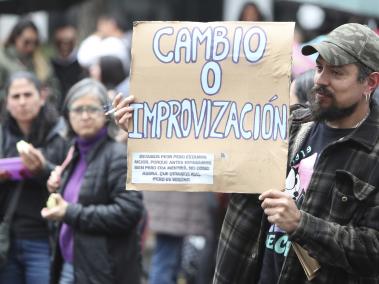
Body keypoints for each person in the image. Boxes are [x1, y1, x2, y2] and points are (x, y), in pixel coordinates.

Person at [212, 23, 379, 283]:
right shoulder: (289, 125)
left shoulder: (373, 154)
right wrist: (151, 128)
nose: (321, 80)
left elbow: (373, 248)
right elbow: (218, 161)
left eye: (336, 72)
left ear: (370, 82)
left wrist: (302, 225)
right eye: (320, 67)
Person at [41, 78, 143, 284]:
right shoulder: (74, 151)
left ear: (106, 115)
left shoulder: (117, 155)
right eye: (78, 110)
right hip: (70, 264)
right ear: (67, 116)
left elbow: (129, 211)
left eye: (92, 109)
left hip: (102, 271)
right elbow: (84, 191)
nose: (85, 116)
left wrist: (68, 212)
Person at [0, 71, 68, 284]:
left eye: (28, 95)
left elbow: (71, 183)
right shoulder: (3, 136)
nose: (22, 102)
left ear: (42, 96)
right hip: (8, 236)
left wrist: (42, 168)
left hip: (43, 237)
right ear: (7, 102)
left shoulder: (60, 135)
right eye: (16, 96)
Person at [0, 18, 61, 106]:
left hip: (38, 112)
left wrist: (48, 94)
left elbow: (55, 88)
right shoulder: (3, 59)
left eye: (35, 42)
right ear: (15, 38)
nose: (31, 47)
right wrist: (15, 95)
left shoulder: (41, 60)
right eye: (26, 42)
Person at [51, 21, 84, 110]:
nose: (64, 46)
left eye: (68, 42)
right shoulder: (49, 66)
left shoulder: (82, 64)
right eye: (60, 42)